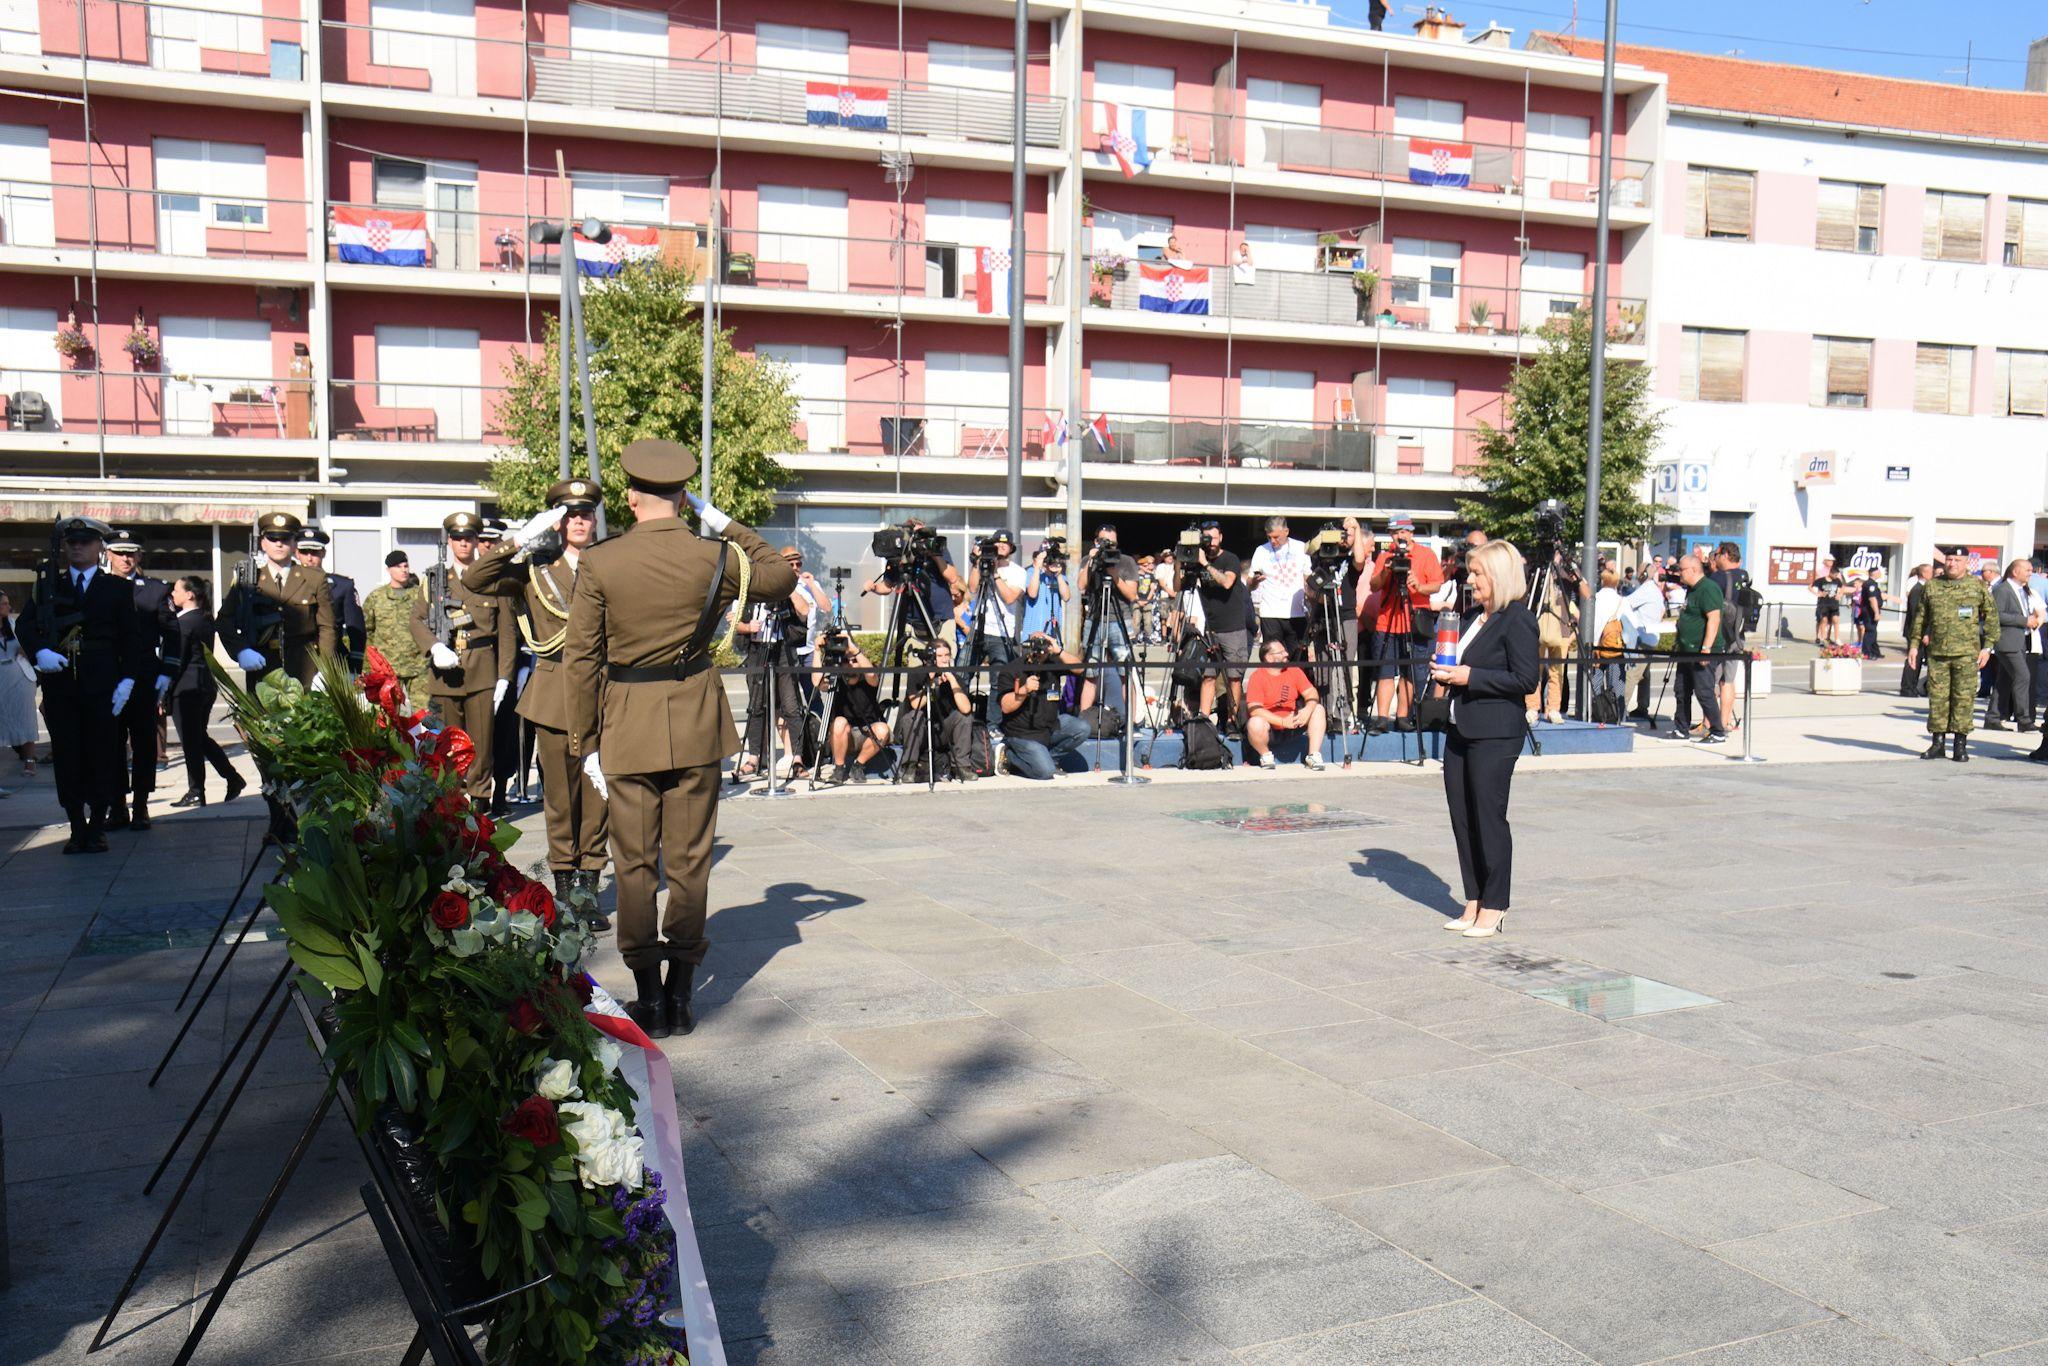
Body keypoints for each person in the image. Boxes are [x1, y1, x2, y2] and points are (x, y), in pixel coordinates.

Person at [565, 439, 795, 1039]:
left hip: (627, 725)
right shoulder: (712, 556)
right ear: (682, 496)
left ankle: (648, 997)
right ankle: (683, 995)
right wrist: (723, 521)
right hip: (695, 721)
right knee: (690, 864)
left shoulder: (601, 562)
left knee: (635, 865)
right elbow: (777, 575)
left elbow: (582, 660)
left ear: (632, 495)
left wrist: (582, 741)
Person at [466, 479, 612, 926]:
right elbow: (476, 579)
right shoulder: (534, 568)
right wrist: (519, 539)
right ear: (557, 521)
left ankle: (590, 889)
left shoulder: (610, 565)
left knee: (598, 796)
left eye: (586, 513)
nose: (579, 521)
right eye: (569, 514)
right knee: (560, 796)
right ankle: (565, 891)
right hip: (554, 692)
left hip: (604, 693)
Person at [1430, 539, 1539, 938]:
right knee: (1463, 819)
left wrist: (1470, 676)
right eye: (1471, 572)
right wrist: (1446, 670)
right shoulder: (1473, 617)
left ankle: (1496, 904)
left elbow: (1526, 679)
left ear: (1499, 576)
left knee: (1488, 818)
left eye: (1478, 573)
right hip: (1460, 728)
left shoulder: (1518, 619)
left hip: (1494, 733)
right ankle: (1473, 899)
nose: (1470, 579)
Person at [18, 517, 144, 853]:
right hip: (61, 683)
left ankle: (98, 824)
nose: (77, 547)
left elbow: (131, 638)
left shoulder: (116, 587)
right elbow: (26, 627)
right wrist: (40, 651)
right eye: (72, 541)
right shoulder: (49, 587)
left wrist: (128, 679)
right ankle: (76, 825)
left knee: (103, 752)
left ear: (99, 547)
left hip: (103, 680)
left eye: (85, 541)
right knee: (67, 753)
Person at [411, 511, 515, 805]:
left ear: (476, 540)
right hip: (446, 673)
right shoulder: (434, 579)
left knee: (481, 744)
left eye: (469, 538)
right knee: (449, 743)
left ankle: (480, 800)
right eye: (457, 538)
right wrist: (433, 647)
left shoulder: (493, 577)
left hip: (482, 668)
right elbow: (417, 619)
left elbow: (506, 632)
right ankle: (451, 800)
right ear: (450, 542)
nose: (463, 544)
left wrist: (505, 676)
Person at [102, 528, 173, 831]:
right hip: (108, 672)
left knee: (144, 741)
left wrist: (167, 671)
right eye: (119, 553)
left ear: (140, 556)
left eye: (131, 553)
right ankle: (117, 805)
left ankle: (141, 804)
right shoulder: (98, 587)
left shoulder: (155, 590)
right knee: (111, 742)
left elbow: (172, 632)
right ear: (108, 555)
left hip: (144, 671)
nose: (125, 558)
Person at [218, 511, 337, 688]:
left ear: (294, 543)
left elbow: (327, 627)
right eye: (273, 538)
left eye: (286, 538)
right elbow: (223, 621)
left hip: (305, 670)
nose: (279, 544)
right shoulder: (249, 580)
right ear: (263, 543)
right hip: (263, 669)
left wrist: (324, 670)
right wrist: (241, 651)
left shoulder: (314, 578)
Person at [1905, 546, 1997, 763]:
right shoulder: (1932, 587)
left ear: (1966, 563)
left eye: (1957, 560)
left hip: (1966, 654)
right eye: (1948, 559)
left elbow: (1992, 618)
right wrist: (1914, 645)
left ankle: (1960, 744)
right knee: (1937, 699)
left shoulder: (1977, 586)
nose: (1952, 563)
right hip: (1938, 653)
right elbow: (1920, 619)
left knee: (1963, 699)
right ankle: (1937, 743)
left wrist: (1988, 647)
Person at [730, 545, 815, 781]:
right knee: (756, 705)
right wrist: (748, 627)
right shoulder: (746, 592)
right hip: (757, 651)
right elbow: (734, 621)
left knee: (790, 705)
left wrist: (785, 587)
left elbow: (804, 610)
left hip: (783, 650)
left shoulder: (787, 589)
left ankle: (797, 759)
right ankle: (754, 757)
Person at [163, 576, 247, 808]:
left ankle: (197, 790)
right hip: (202, 686)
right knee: (199, 738)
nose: (172, 593)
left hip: (187, 687)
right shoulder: (202, 619)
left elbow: (175, 661)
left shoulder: (185, 623)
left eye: (176, 589)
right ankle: (231, 777)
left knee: (192, 741)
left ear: (190, 595)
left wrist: (164, 692)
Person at [1367, 516, 1445, 730]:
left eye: (1402, 532)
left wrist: (1418, 586)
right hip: (1387, 622)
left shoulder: (1426, 554)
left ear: (1411, 532)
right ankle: (1382, 718)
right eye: (1394, 532)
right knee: (1385, 672)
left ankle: (1402, 717)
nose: (1398, 536)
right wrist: (1386, 570)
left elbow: (1437, 585)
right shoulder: (1385, 556)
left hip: (1415, 621)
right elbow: (1373, 586)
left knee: (1410, 672)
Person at [998, 633, 1088, 779]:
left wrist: (1058, 650)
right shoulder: (1013, 669)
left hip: (1049, 727)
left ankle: (1052, 759)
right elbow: (1005, 707)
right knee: (1045, 772)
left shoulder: (1052, 663)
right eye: (1037, 646)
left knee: (1082, 728)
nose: (1041, 653)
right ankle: (1009, 754)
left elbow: (1079, 669)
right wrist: (1024, 690)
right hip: (1022, 734)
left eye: (1044, 647)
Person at [1075, 525, 1140, 715]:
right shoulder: (1089, 560)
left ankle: (1131, 723)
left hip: (1120, 620)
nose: (1110, 546)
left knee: (1125, 674)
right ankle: (1085, 721)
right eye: (1105, 542)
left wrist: (1114, 575)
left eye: (1113, 542)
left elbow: (1132, 594)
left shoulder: (1126, 561)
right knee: (1090, 674)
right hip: (1095, 619)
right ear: (1096, 541)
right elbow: (1080, 585)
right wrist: (1092, 559)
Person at [1191, 521, 1249, 728]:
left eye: (1214, 538)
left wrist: (1205, 564)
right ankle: (1204, 719)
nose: (1211, 543)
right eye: (1207, 539)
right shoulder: (1198, 560)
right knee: (1208, 676)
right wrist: (1183, 558)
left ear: (1221, 537)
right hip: (1210, 628)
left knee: (1234, 677)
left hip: (1232, 627)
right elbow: (1178, 586)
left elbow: (1227, 582)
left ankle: (1233, 720)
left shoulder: (1230, 558)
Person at [899, 637, 978, 782]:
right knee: (913, 717)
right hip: (920, 730)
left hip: (942, 731)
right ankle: (909, 767)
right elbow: (916, 704)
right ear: (930, 657)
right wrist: (932, 684)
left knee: (964, 717)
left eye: (947, 655)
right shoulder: (917, 674)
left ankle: (961, 767)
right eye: (939, 656)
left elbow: (966, 708)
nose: (944, 659)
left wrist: (952, 681)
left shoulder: (954, 677)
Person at [363, 551, 433, 715]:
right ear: (388, 570)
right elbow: (368, 633)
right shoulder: (376, 597)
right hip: (387, 667)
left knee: (423, 715)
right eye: (398, 566)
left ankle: (423, 741)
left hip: (419, 665)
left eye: (405, 566)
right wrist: (367, 667)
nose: (403, 570)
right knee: (386, 714)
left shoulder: (421, 594)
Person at [1244, 637, 1328, 770]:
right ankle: (1265, 755)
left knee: (1318, 709)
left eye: (1285, 651)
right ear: (1269, 658)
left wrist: (1307, 710)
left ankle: (1313, 755)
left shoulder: (1293, 670)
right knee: (1255, 723)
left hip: (1294, 722)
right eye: (1281, 652)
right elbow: (1255, 709)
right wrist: (1282, 722)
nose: (1286, 654)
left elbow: (1312, 693)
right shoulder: (1257, 676)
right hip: (1271, 729)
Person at [1670, 554, 1728, 744]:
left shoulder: (1708, 588)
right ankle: (1681, 728)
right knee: (1681, 689)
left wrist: (1706, 649)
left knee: (1704, 691)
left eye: (1682, 569)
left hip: (1702, 650)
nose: (1679, 573)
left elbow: (1714, 618)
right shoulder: (1692, 590)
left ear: (1693, 570)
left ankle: (1718, 731)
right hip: (1686, 650)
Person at [818, 633, 888, 784]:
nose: (850, 664)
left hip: (867, 733)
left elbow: (871, 674)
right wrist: (817, 652)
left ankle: (859, 765)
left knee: (883, 729)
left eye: (854, 661)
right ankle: (839, 769)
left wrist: (853, 648)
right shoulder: (837, 677)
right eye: (846, 661)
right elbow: (818, 682)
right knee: (839, 722)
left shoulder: (867, 677)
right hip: (844, 736)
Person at [296, 525, 366, 671]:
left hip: (333, 660)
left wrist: (354, 668)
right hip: (297, 658)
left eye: (315, 552)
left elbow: (356, 629)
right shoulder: (286, 584)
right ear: (297, 553)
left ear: (323, 553)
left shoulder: (342, 586)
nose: (309, 558)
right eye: (304, 552)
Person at [1987, 558, 2041, 735]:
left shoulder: (2022, 590)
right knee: (2023, 676)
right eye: (2027, 569)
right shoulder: (2002, 589)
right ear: (2015, 571)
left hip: (2019, 641)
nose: (2030, 573)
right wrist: (2024, 620)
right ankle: (2024, 719)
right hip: (2007, 641)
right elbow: (1997, 615)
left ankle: (1993, 717)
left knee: (2005, 679)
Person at [1247, 517, 1310, 660]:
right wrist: (1255, 581)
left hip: (1296, 613)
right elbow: (1249, 584)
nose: (1273, 541)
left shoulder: (1301, 547)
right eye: (1269, 537)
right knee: (1272, 658)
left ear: (1286, 531)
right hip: (1270, 614)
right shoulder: (1261, 551)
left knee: (1298, 659)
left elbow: (1308, 578)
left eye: (1276, 537)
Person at [0, 588, 38, 779]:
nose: (7, 606)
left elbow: (31, 643)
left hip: (20, 678)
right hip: (2, 679)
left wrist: (26, 649)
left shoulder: (14, 626)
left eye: (7, 603)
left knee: (25, 717)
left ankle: (30, 761)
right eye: (3, 603)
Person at [1619, 565, 1665, 722]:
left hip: (1643, 638)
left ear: (1645, 573)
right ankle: (1642, 706)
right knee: (1645, 675)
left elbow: (1627, 603)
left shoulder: (1646, 588)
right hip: (1652, 638)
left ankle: (1620, 709)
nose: (1636, 575)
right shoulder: (1655, 589)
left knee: (1632, 674)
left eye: (1639, 572)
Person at [1022, 539, 1072, 642]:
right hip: (1033, 632)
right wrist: (1037, 568)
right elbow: (1032, 593)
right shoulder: (1031, 572)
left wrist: (1058, 576)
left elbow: (1066, 597)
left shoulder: (1060, 576)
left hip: (1053, 634)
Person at [1898, 563, 1933, 698]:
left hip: (1920, 632)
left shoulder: (1923, 589)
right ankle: (1908, 688)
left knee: (1917, 660)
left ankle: (1912, 687)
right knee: (1914, 659)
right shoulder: (1918, 590)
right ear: (1924, 574)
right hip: (1916, 632)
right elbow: (1916, 614)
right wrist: (1923, 633)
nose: (1933, 574)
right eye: (1930, 572)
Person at [1811, 559, 1843, 647]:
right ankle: (1823, 638)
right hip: (1824, 603)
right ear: (1831, 573)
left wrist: (1839, 595)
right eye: (1835, 575)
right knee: (1824, 620)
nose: (1836, 576)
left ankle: (1837, 638)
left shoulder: (1837, 581)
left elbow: (1842, 588)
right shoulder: (1821, 580)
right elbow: (1810, 587)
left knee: (1835, 620)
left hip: (1834, 604)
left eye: (1837, 575)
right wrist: (1818, 593)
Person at [1857, 568, 1885, 661]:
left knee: (1873, 631)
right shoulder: (1870, 584)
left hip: (1871, 611)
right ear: (1874, 573)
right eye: (1878, 572)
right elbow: (1872, 599)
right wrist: (1876, 612)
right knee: (1870, 631)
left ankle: (1875, 651)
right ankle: (1866, 653)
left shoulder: (1873, 583)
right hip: (1869, 612)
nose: (1880, 574)